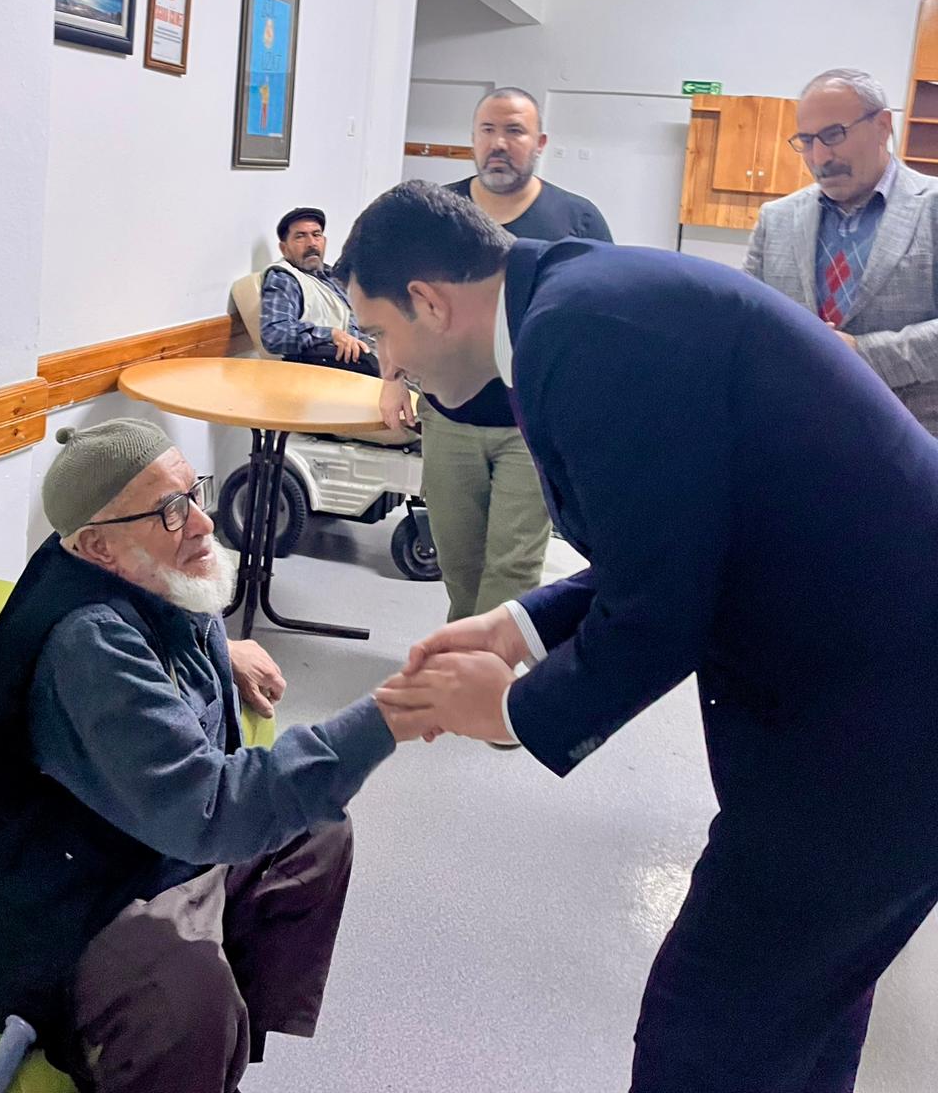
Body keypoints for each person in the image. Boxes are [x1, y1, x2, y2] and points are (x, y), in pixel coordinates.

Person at [337, 180, 938, 1093]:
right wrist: (518, 624)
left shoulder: (579, 334)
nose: (389, 365)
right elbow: (677, 543)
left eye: (381, 334)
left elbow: (663, 611)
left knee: (705, 1034)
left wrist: (509, 712)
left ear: (430, 301)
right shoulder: (577, 300)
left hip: (878, 715)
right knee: (803, 1007)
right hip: (875, 688)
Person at [0, 419, 395, 1093]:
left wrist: (220, 652)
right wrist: (394, 714)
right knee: (184, 1000)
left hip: (139, 834)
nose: (202, 523)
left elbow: (165, 627)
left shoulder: (151, 570)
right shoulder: (90, 644)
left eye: (194, 493)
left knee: (318, 832)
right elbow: (209, 809)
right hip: (61, 885)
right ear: (99, 547)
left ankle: (218, 1063)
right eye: (170, 511)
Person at [379, 88, 612, 619]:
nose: (499, 143)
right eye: (488, 130)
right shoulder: (431, 213)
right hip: (447, 419)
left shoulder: (577, 220)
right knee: (458, 563)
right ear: (473, 139)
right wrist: (391, 377)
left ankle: (488, 663)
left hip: (529, 428)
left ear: (540, 142)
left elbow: (598, 319)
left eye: (514, 131)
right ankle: (467, 655)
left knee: (511, 566)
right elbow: (392, 300)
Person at [746, 66, 938, 434]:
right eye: (806, 140)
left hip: (910, 442)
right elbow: (749, 318)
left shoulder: (932, 208)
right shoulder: (777, 219)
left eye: (833, 135)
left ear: (882, 126)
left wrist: (861, 353)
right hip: (796, 435)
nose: (819, 157)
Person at [260, 206, 377, 375]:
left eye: (316, 235)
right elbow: (275, 334)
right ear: (284, 248)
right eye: (300, 236)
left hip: (368, 350)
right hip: (333, 365)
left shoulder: (331, 276)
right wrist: (331, 334)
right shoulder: (283, 278)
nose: (311, 243)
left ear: (324, 241)